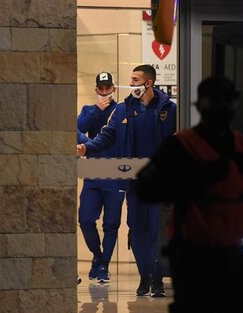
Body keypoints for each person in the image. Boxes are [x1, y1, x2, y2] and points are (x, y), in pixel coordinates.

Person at [135, 75, 243, 313]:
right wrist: (198, 177)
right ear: (203, 107)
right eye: (219, 103)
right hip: (195, 257)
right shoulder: (182, 145)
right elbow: (145, 187)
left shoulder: (239, 143)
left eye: (228, 103)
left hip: (233, 253)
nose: (225, 109)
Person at [77, 64, 177, 297]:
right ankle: (145, 275)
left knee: (156, 231)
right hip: (133, 183)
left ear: (148, 83)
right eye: (130, 80)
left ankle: (158, 279)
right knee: (138, 230)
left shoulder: (168, 110)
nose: (130, 83)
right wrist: (86, 148)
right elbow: (106, 136)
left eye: (135, 80)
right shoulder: (122, 110)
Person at [77, 72, 126, 283]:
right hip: (94, 172)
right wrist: (97, 109)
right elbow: (77, 128)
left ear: (114, 89)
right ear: (97, 89)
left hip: (116, 172)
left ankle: (104, 265)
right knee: (86, 219)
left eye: (108, 88)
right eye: (101, 88)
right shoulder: (89, 110)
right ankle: (98, 257)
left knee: (111, 224)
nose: (105, 91)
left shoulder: (122, 110)